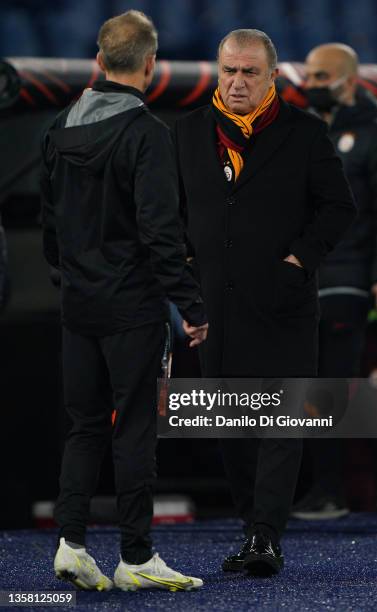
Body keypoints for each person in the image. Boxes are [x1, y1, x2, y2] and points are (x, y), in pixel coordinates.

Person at [173, 29, 356, 576]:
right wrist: (184, 275)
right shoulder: (186, 133)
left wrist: (298, 261)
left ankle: (266, 535)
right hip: (215, 307)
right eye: (228, 70)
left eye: (250, 72)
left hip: (284, 305)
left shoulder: (304, 132)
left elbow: (338, 209)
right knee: (231, 425)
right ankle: (254, 527)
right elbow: (173, 214)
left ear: (273, 77)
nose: (236, 82)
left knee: (280, 422)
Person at [40, 10, 208, 592]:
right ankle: (136, 555)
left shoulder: (59, 126)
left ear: (98, 59)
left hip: (78, 306)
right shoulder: (147, 134)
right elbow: (163, 235)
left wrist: (72, 280)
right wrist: (191, 305)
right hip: (131, 307)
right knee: (133, 430)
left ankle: (72, 544)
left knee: (84, 427)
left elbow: (50, 229)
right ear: (152, 65)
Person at [292, 43, 377, 520]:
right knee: (334, 383)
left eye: (323, 77)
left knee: (328, 384)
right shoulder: (299, 134)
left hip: (352, 278)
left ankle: (331, 490)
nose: (314, 86)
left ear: (351, 81)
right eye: (310, 78)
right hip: (305, 279)